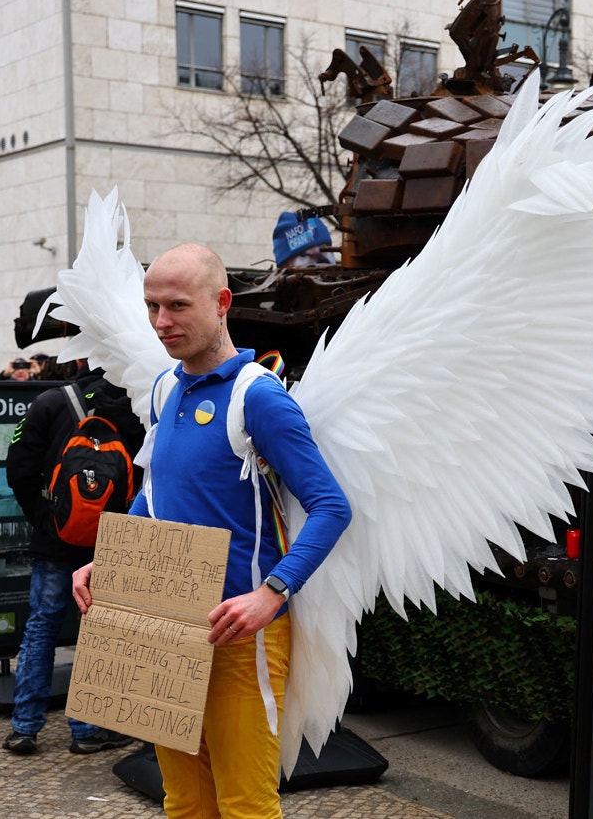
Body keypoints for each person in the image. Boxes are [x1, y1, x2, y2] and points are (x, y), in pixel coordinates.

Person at [72, 242, 351, 818]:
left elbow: (330, 506)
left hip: (238, 636)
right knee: (184, 802)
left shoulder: (258, 396)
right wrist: (116, 560)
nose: (161, 322)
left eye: (177, 305)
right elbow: (159, 491)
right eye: (151, 306)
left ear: (222, 303)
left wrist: (272, 593)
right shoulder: (164, 388)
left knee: (246, 806)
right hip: (162, 619)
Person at [2, 361, 144, 755]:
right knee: (96, 632)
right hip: (109, 543)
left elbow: (19, 468)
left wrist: (46, 517)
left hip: (54, 541)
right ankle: (86, 730)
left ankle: (25, 727)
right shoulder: (135, 405)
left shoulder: (49, 402)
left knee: (41, 627)